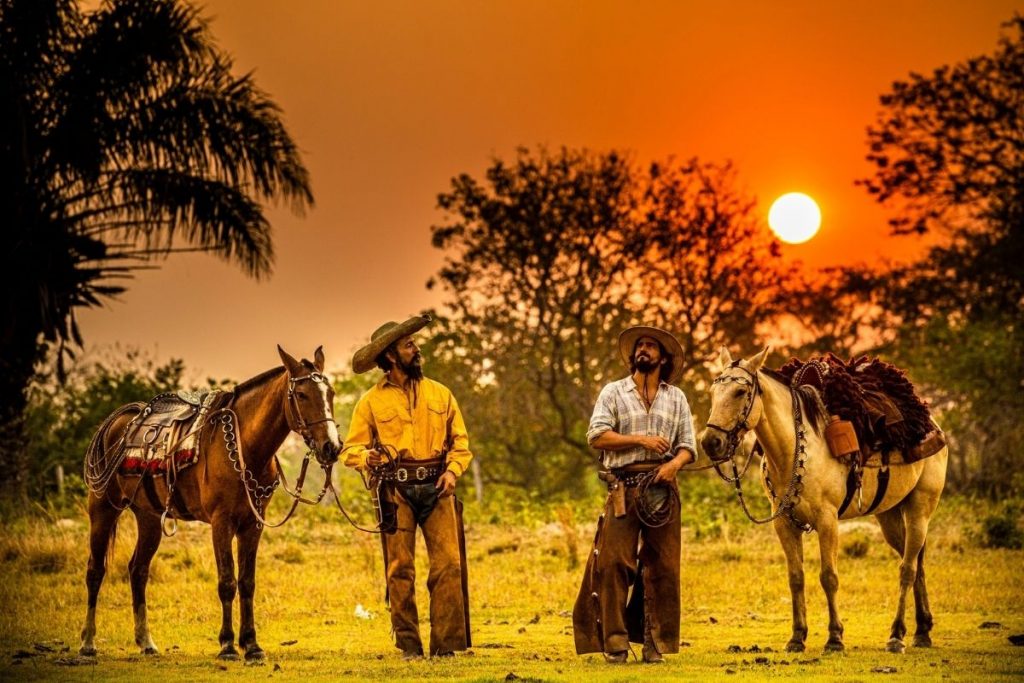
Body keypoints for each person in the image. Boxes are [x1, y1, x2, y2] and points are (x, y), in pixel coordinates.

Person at [343, 315, 472, 659]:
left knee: (449, 565)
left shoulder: (441, 393)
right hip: (395, 492)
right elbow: (350, 450)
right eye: (409, 345)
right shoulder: (369, 402)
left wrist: (453, 472)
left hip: (438, 487)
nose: (417, 349)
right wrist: (368, 457)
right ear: (389, 357)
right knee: (400, 569)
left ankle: (444, 647)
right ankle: (409, 646)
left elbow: (461, 443)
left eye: (414, 343)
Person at [572, 325, 697, 664]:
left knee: (664, 567)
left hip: (663, 489)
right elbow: (596, 436)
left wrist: (674, 465)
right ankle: (614, 641)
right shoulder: (613, 392)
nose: (643, 349)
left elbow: (688, 446)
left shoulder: (677, 397)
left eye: (650, 346)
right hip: (623, 487)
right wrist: (640, 440)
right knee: (613, 562)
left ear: (663, 357)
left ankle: (655, 642)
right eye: (639, 345)